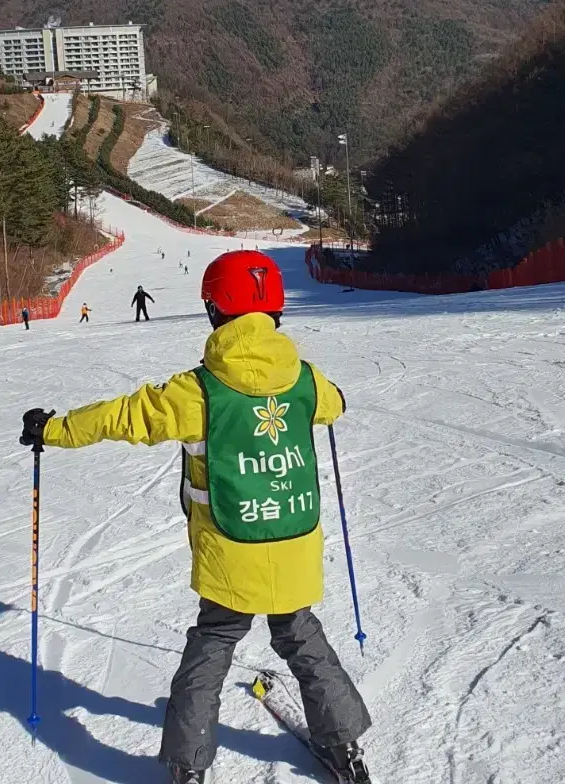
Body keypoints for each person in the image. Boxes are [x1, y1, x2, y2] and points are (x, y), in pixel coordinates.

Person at [20, 251, 371, 784]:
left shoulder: (199, 390)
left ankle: (188, 762)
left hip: (232, 552)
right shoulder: (304, 379)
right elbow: (334, 404)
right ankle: (343, 745)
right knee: (301, 637)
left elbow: (123, 416)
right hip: (293, 541)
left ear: (215, 310)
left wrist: (54, 429)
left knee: (212, 646)